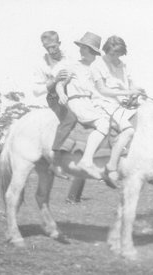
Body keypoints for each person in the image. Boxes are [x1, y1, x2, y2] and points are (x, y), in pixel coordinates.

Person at [90, 35, 145, 187]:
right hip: (103, 102)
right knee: (128, 131)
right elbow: (102, 90)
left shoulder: (123, 66)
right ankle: (111, 166)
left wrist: (136, 91)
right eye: (112, 53)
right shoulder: (97, 65)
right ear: (106, 50)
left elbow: (131, 86)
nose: (115, 57)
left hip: (122, 104)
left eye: (118, 54)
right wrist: (126, 93)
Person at [55, 32, 110, 180]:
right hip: (77, 102)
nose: (80, 50)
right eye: (81, 47)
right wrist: (61, 94)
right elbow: (60, 84)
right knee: (103, 123)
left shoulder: (98, 69)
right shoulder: (73, 66)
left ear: (91, 51)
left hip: (92, 103)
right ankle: (87, 160)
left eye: (84, 48)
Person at [33, 31, 77, 179]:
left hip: (73, 93)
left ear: (59, 43)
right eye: (48, 48)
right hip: (54, 97)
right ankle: (56, 162)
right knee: (69, 119)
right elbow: (36, 91)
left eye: (54, 46)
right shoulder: (41, 63)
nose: (52, 50)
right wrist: (54, 80)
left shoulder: (69, 58)